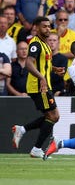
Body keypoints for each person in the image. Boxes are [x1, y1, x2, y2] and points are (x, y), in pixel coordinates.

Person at [11, 17, 61, 158]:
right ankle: (36, 148)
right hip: (38, 86)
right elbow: (29, 63)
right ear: (36, 28)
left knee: (51, 116)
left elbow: (43, 64)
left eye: (49, 26)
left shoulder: (44, 44)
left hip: (44, 85)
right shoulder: (35, 44)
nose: (47, 29)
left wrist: (54, 69)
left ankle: (22, 130)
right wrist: (42, 78)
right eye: (44, 26)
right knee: (53, 116)